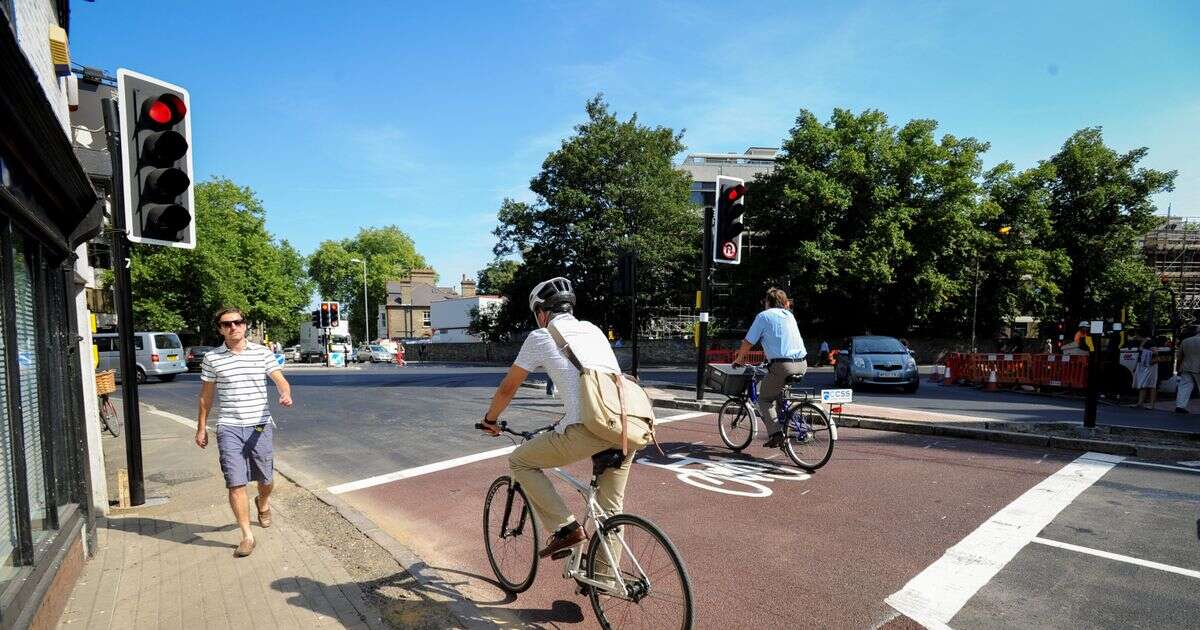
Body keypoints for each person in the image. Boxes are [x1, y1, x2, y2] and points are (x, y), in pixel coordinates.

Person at [479, 277, 627, 559]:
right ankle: (606, 580)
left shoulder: (541, 336)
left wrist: (490, 419)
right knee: (611, 512)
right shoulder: (594, 330)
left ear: (541, 312)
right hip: (624, 427)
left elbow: (508, 387)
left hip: (588, 428)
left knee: (520, 460)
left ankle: (566, 528)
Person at [196, 307, 293, 557]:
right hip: (228, 425)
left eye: (238, 322)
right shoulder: (212, 359)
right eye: (227, 324)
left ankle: (262, 502)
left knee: (266, 479)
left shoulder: (262, 353)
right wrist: (201, 428)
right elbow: (206, 397)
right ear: (220, 329)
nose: (233, 327)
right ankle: (247, 536)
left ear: (245, 325)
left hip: (259, 425)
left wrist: (285, 393)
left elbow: (280, 379)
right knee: (235, 482)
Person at [732, 287, 808, 448]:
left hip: (783, 365)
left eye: (765, 301)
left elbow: (748, 342)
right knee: (779, 393)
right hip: (802, 363)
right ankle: (785, 420)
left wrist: (739, 359)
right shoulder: (790, 316)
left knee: (764, 399)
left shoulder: (763, 316)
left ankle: (776, 435)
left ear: (768, 302)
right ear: (784, 302)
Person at [1174, 328, 1200, 414]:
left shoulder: (1186, 341)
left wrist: (1178, 367)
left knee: (1184, 386)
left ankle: (1180, 406)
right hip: (1198, 367)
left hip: (1186, 366)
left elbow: (1179, 356)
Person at [1134, 338, 1158, 410]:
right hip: (1145, 365)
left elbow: (1155, 353)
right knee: (1143, 383)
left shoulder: (1150, 342)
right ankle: (1140, 403)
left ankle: (1151, 404)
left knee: (1151, 384)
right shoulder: (1145, 341)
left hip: (1150, 365)